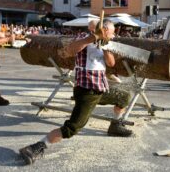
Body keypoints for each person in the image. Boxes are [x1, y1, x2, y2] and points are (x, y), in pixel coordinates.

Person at [19, 20, 133, 165]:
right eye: (112, 31)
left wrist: (105, 47)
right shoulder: (83, 39)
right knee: (72, 128)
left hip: (100, 88)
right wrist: (93, 38)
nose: (114, 34)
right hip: (87, 91)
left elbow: (111, 63)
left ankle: (115, 125)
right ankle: (35, 147)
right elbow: (71, 50)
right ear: (103, 30)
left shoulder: (106, 44)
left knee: (124, 96)